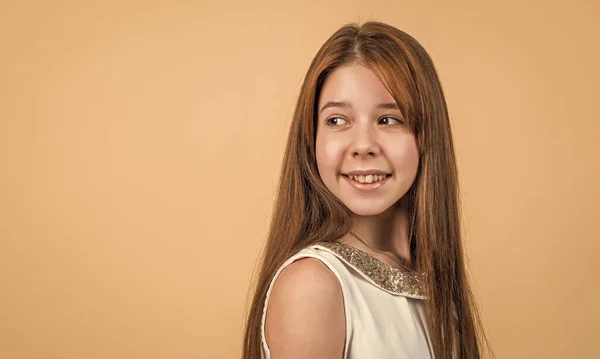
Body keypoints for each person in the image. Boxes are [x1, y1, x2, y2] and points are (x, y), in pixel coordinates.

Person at [243, 21, 492, 359]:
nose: (362, 145)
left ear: (426, 137)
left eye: (389, 119)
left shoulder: (436, 285)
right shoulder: (313, 287)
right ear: (311, 140)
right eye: (336, 120)